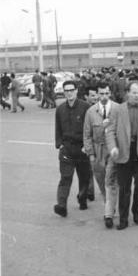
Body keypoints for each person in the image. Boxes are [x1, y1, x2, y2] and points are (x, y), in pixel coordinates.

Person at [105, 81, 138, 230]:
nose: (136, 96)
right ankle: (124, 219)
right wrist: (113, 147)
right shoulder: (118, 110)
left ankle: (136, 210)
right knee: (124, 188)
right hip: (123, 152)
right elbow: (110, 131)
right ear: (128, 93)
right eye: (134, 92)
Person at [83, 82, 119, 228]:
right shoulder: (91, 112)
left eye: (106, 93)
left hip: (113, 150)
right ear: (97, 94)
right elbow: (86, 135)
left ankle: (108, 214)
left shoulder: (118, 109)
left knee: (110, 180)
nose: (104, 96)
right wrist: (91, 154)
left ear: (110, 93)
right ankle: (109, 204)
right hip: (97, 151)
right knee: (101, 180)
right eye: (101, 94)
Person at [53, 80, 91, 217]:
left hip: (82, 149)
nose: (69, 93)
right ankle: (61, 205)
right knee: (65, 177)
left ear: (76, 91)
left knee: (84, 177)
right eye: (66, 91)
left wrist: (88, 146)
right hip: (67, 149)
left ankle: (82, 198)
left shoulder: (86, 107)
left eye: (71, 90)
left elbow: (90, 128)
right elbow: (58, 128)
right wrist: (59, 144)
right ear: (64, 92)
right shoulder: (60, 109)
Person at [83, 86, 100, 201]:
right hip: (89, 143)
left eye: (96, 95)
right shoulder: (85, 109)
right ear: (86, 97)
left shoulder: (101, 107)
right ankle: (90, 192)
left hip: (101, 144)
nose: (96, 97)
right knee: (88, 169)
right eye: (92, 95)